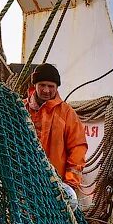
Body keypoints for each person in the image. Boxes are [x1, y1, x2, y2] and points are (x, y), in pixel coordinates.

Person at [26, 64, 87, 195]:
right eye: (42, 85)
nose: (46, 90)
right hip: (24, 183)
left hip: (55, 188)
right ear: (34, 85)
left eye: (51, 86)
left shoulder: (67, 113)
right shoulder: (20, 109)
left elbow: (78, 148)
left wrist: (70, 183)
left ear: (57, 87)